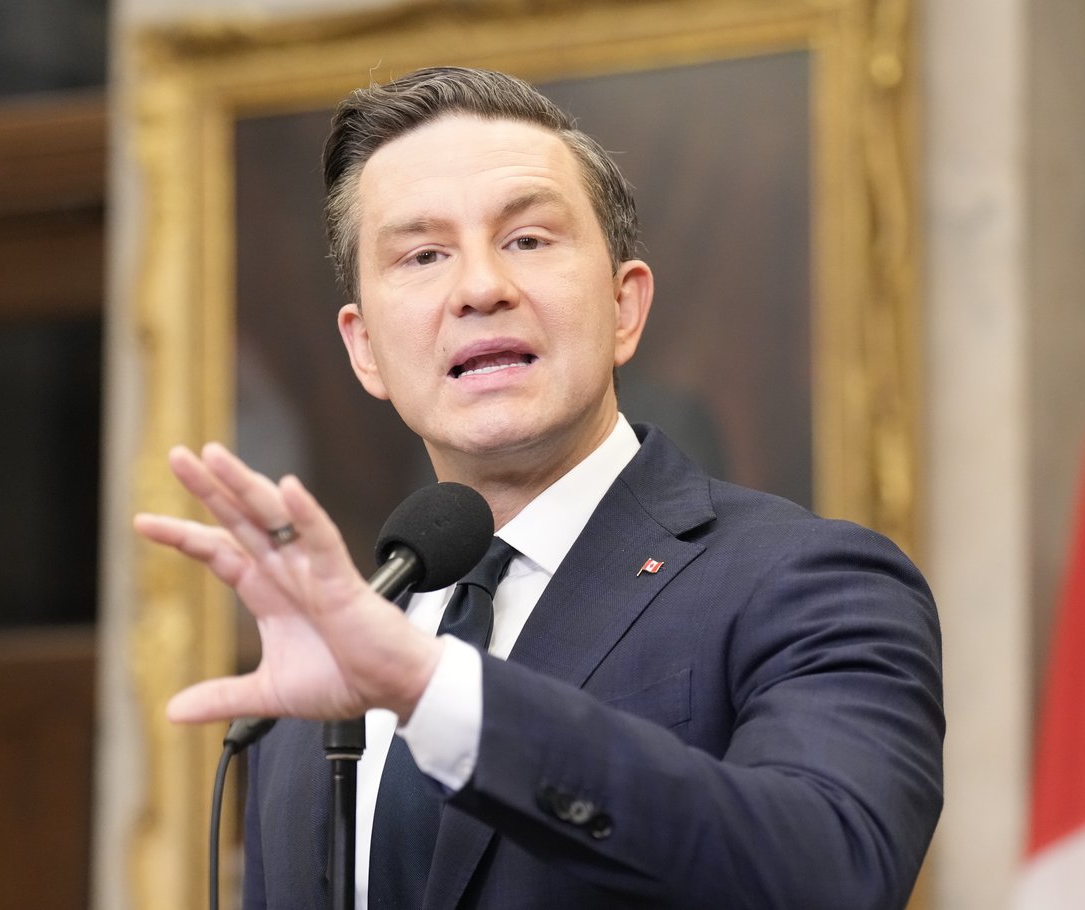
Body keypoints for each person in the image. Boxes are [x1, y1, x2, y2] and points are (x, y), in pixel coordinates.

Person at [133, 66, 944, 909]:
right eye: (423, 255)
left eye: (527, 240)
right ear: (364, 347)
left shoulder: (810, 583)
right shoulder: (329, 674)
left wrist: (432, 691)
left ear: (624, 307)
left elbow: (829, 871)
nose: (481, 288)